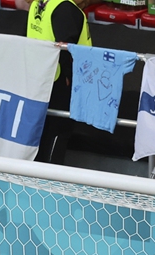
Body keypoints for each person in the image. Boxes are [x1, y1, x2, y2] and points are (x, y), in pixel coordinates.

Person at [26, 0, 92, 164]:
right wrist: (69, 77)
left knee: (40, 132)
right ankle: (49, 178)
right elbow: (65, 47)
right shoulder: (66, 9)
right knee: (59, 131)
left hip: (38, 78)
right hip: (59, 81)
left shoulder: (41, 3)